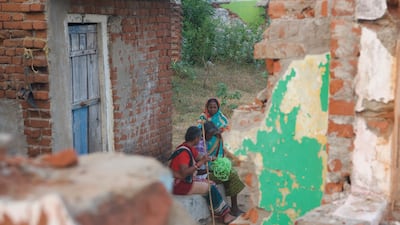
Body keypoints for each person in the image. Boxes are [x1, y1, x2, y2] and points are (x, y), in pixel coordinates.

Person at [169, 126, 236, 224]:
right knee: (210, 187)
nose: (200, 139)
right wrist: (199, 163)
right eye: (200, 137)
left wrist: (213, 159)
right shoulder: (183, 152)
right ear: (195, 138)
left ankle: (219, 212)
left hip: (185, 180)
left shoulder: (189, 148)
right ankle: (224, 215)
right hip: (179, 184)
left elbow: (200, 157)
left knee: (210, 183)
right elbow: (184, 173)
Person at [197, 121, 245, 216]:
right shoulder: (199, 145)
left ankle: (233, 207)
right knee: (231, 175)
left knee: (231, 173)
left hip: (207, 171)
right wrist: (212, 169)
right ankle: (234, 208)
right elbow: (198, 169)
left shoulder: (207, 140)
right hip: (202, 176)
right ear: (204, 132)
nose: (211, 136)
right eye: (210, 134)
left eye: (212, 134)